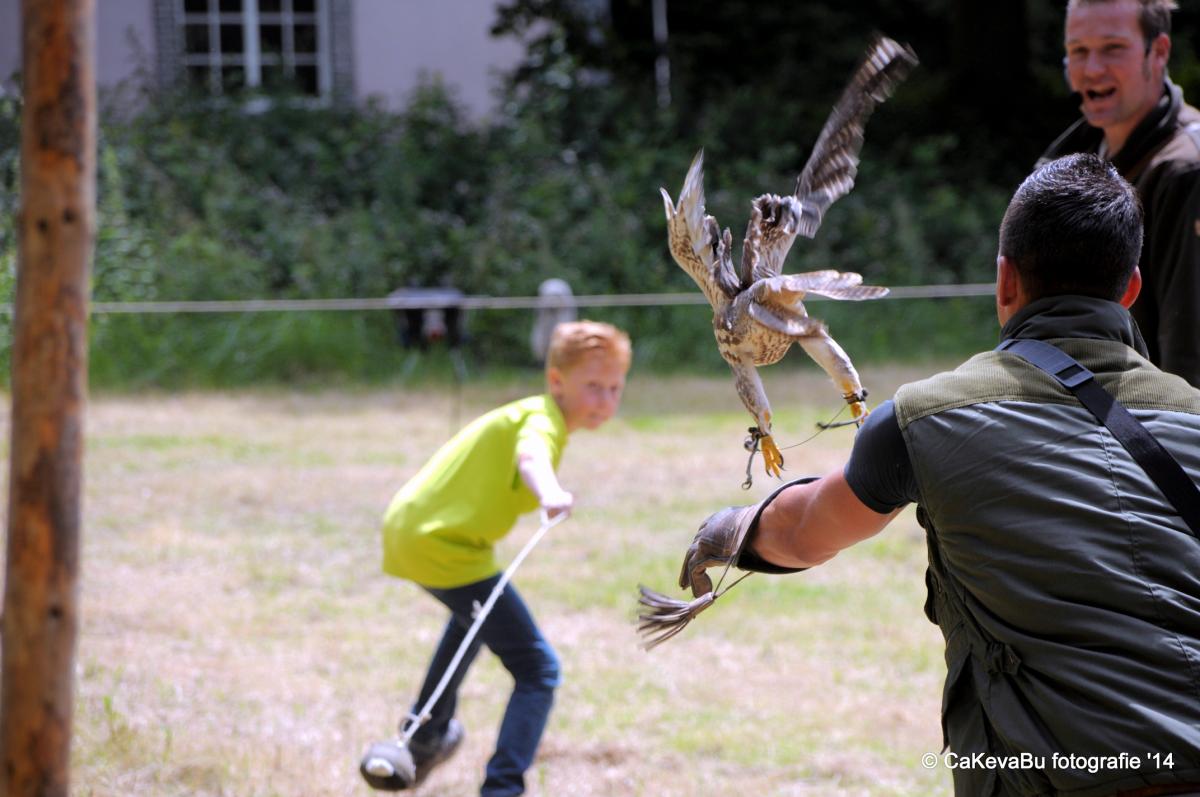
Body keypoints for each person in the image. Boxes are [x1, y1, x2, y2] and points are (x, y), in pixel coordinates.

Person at [676, 155, 1200, 796]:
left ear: (1004, 281)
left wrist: (727, 531)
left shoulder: (925, 418)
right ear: (1131, 288)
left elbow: (804, 531)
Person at [380, 320, 631, 796]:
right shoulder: (542, 421)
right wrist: (549, 492)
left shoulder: (536, 414)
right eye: (593, 386)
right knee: (538, 670)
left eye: (614, 388)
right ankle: (500, 788)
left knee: (470, 624)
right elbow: (531, 457)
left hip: (422, 535)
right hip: (441, 545)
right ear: (557, 381)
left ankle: (423, 739)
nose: (604, 400)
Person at [1040, 0, 1200, 387]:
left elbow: (1189, 359)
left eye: (1113, 48)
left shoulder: (1187, 170)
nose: (1092, 69)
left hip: (1158, 418)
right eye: (1079, 50)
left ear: (1158, 51)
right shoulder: (1064, 164)